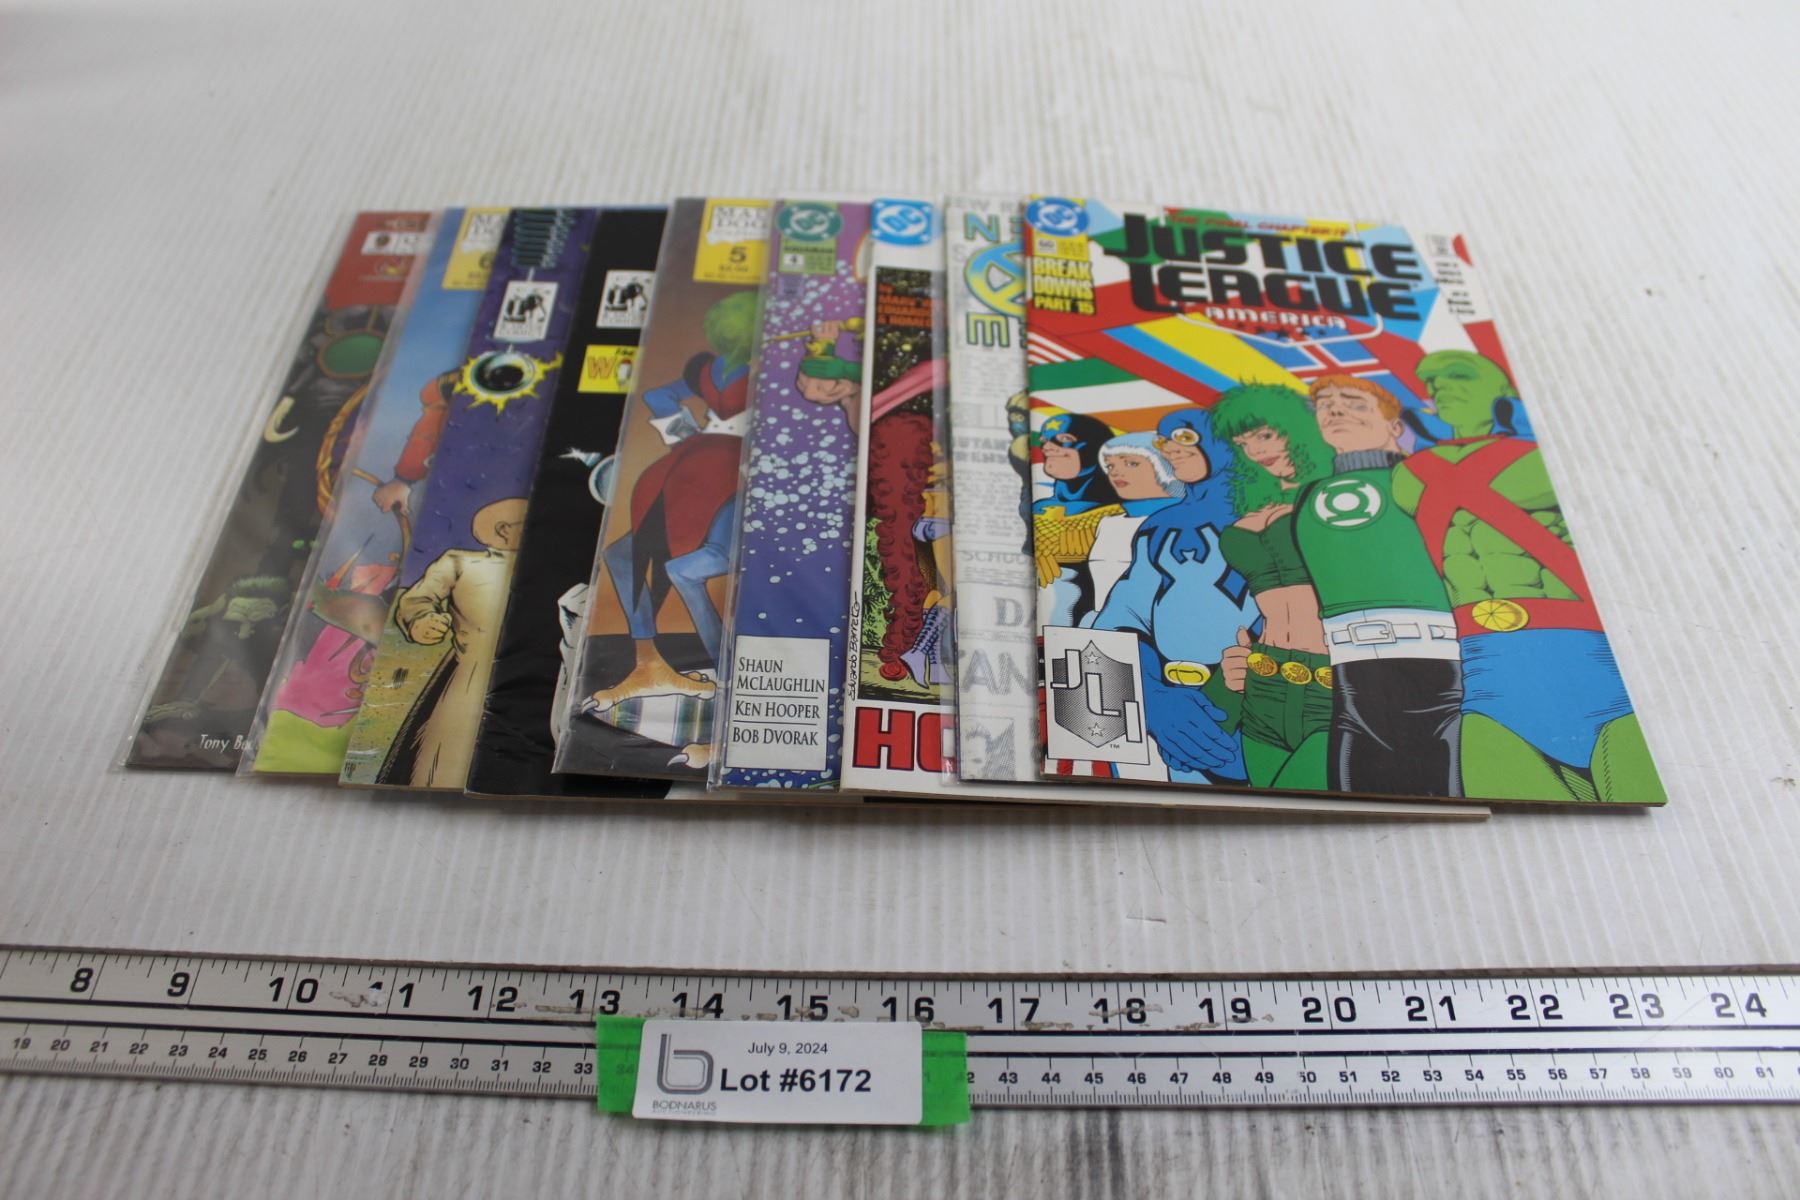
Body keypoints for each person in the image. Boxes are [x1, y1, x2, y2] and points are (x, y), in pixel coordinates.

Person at [1393, 350, 1662, 803]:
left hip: (1583, 662)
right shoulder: (1410, 477)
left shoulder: (1531, 462)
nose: (1443, 388)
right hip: (1487, 670)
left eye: (1460, 376)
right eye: (1434, 383)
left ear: (1502, 389)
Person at [590, 291, 759, 731]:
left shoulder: (748, 369)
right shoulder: (718, 368)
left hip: (733, 476)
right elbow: (659, 395)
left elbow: (659, 396)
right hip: (700, 465)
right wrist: (689, 435)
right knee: (622, 555)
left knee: (683, 568)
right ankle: (649, 661)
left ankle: (729, 673)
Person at [1292, 375, 1462, 797]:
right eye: (1325, 405)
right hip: (1351, 670)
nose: (1335, 410)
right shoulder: (1310, 494)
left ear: (1394, 425)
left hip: (1439, 662)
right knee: (1355, 788)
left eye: (1354, 402)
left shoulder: (1425, 480)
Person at [1086, 408, 1256, 783]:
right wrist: (1153, 700)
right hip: (1176, 712)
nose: (1172, 449)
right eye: (1165, 441)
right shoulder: (1159, 527)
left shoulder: (1271, 520)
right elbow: (1121, 621)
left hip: (1259, 707)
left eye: (1186, 437)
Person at [1208, 383, 1335, 790]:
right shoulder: (1255, 504)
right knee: (1269, 800)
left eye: (1264, 435)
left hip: (1333, 679)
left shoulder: (1338, 495)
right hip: (1263, 677)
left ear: (1298, 427)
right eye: (1244, 443)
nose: (1256, 451)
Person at [379, 497, 528, 787]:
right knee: (449, 760)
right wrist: (421, 621)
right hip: (472, 679)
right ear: (503, 529)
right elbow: (418, 599)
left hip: (537, 673)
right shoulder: (460, 562)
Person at [1032, 411, 1122, 625]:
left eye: (1064, 439)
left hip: (1093, 615)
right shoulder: (1040, 507)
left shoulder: (1119, 511)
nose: (1047, 447)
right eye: (1045, 440)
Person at [1086, 432, 1184, 614]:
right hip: (1103, 623)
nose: (1115, 472)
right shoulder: (1108, 524)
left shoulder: (1184, 521)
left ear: (1165, 467)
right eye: (1109, 466)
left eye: (1131, 463)